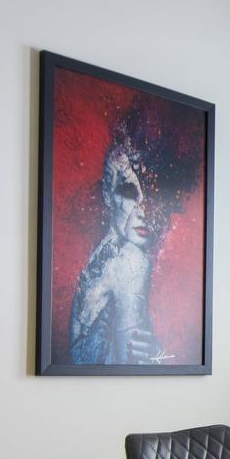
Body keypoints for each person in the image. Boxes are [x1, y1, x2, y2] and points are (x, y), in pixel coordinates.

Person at [69, 132, 167, 365]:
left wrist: (155, 352)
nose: (142, 210)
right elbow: (132, 371)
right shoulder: (130, 260)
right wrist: (158, 357)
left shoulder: (103, 259)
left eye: (151, 194)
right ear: (107, 195)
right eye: (129, 192)